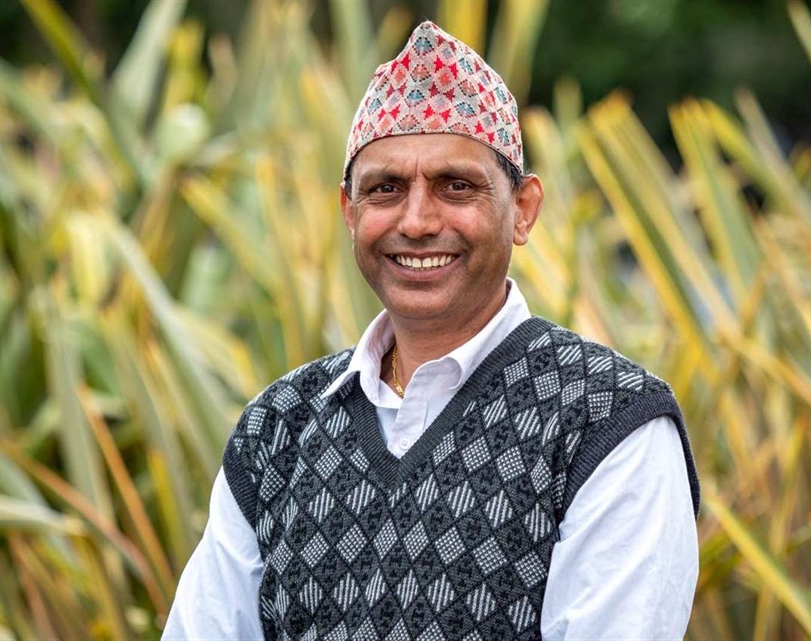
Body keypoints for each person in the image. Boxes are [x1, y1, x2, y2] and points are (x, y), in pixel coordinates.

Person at [164, 20, 700, 641]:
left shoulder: (608, 424)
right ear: (349, 211)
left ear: (523, 210)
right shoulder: (277, 430)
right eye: (386, 188)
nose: (416, 221)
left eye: (456, 186)